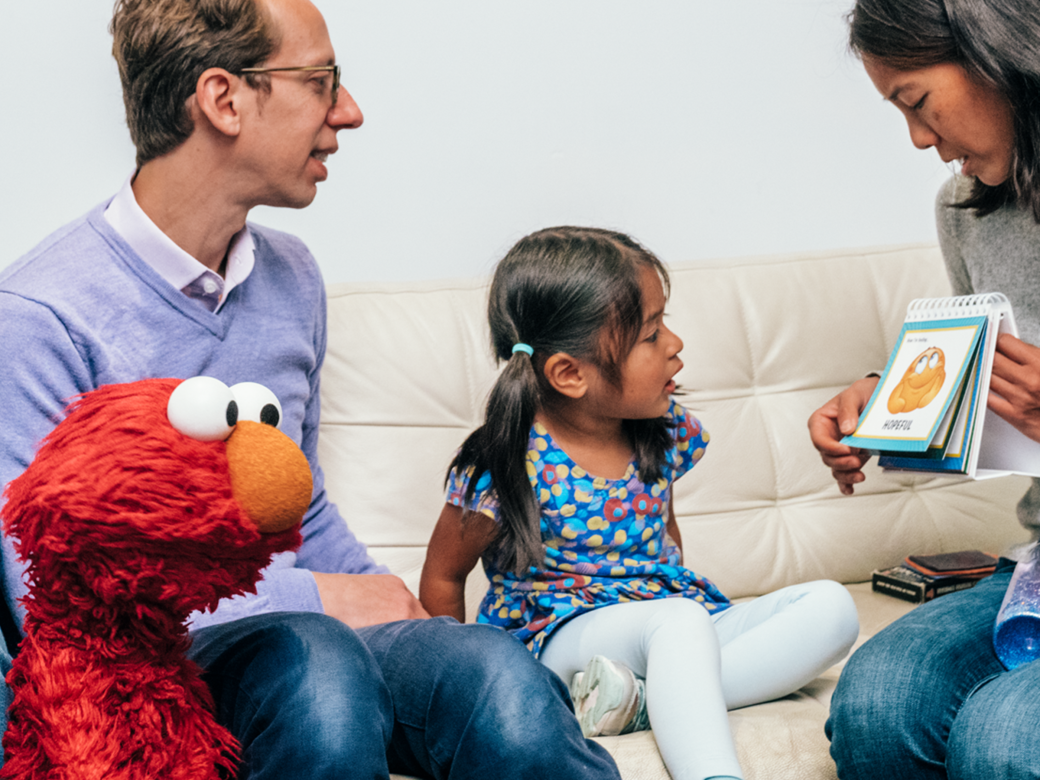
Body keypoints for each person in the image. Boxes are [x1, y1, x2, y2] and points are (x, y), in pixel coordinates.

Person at [0, 1, 623, 778]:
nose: (350, 112)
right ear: (223, 99)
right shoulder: (39, 316)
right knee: (320, 667)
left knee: (489, 672)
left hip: (296, 636)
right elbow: (47, 593)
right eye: (323, 81)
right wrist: (320, 600)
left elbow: (300, 508)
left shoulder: (291, 277)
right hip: (151, 676)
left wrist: (383, 600)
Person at [419, 226, 860, 780]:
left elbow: (668, 544)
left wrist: (682, 632)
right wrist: (464, 689)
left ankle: (641, 702)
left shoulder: (660, 431)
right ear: (569, 373)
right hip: (556, 639)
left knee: (831, 607)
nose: (675, 344)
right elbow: (442, 576)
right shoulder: (506, 461)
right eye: (651, 334)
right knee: (677, 623)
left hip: (668, 622)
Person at [808, 1, 1040, 778]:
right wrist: (891, 402)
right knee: (877, 703)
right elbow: (990, 396)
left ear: (997, 53)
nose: (918, 139)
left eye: (916, 101)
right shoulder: (968, 211)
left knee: (1006, 740)